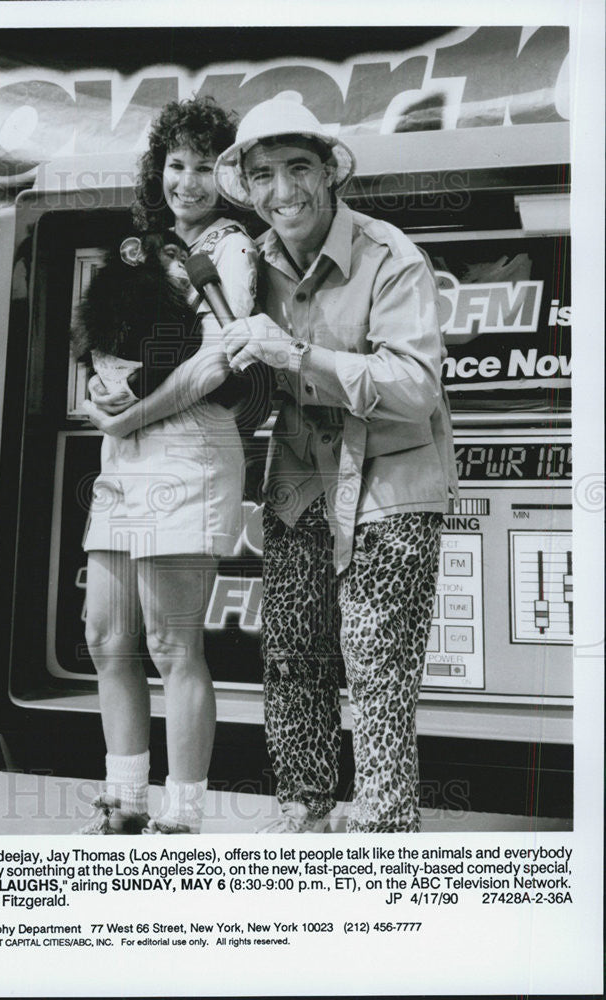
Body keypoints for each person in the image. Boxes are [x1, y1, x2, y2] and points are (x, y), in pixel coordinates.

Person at [215, 96, 459, 833]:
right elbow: (245, 398)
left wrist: (299, 357)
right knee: (292, 655)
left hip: (390, 476)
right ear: (248, 185)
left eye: (297, 169)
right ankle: (302, 806)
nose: (281, 190)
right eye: (262, 174)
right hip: (297, 477)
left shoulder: (390, 255)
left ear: (328, 173)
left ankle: (385, 822)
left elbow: (415, 391)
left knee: (376, 661)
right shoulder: (245, 266)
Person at [78, 96, 258, 835]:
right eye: (176, 164)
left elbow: (220, 361)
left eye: (206, 165)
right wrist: (99, 396)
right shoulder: (138, 247)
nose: (188, 180)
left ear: (228, 173)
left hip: (190, 451)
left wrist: (133, 413)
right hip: (126, 454)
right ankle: (124, 802)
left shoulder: (233, 247)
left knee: (171, 643)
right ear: (159, 172)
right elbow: (101, 347)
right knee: (106, 638)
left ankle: (180, 817)